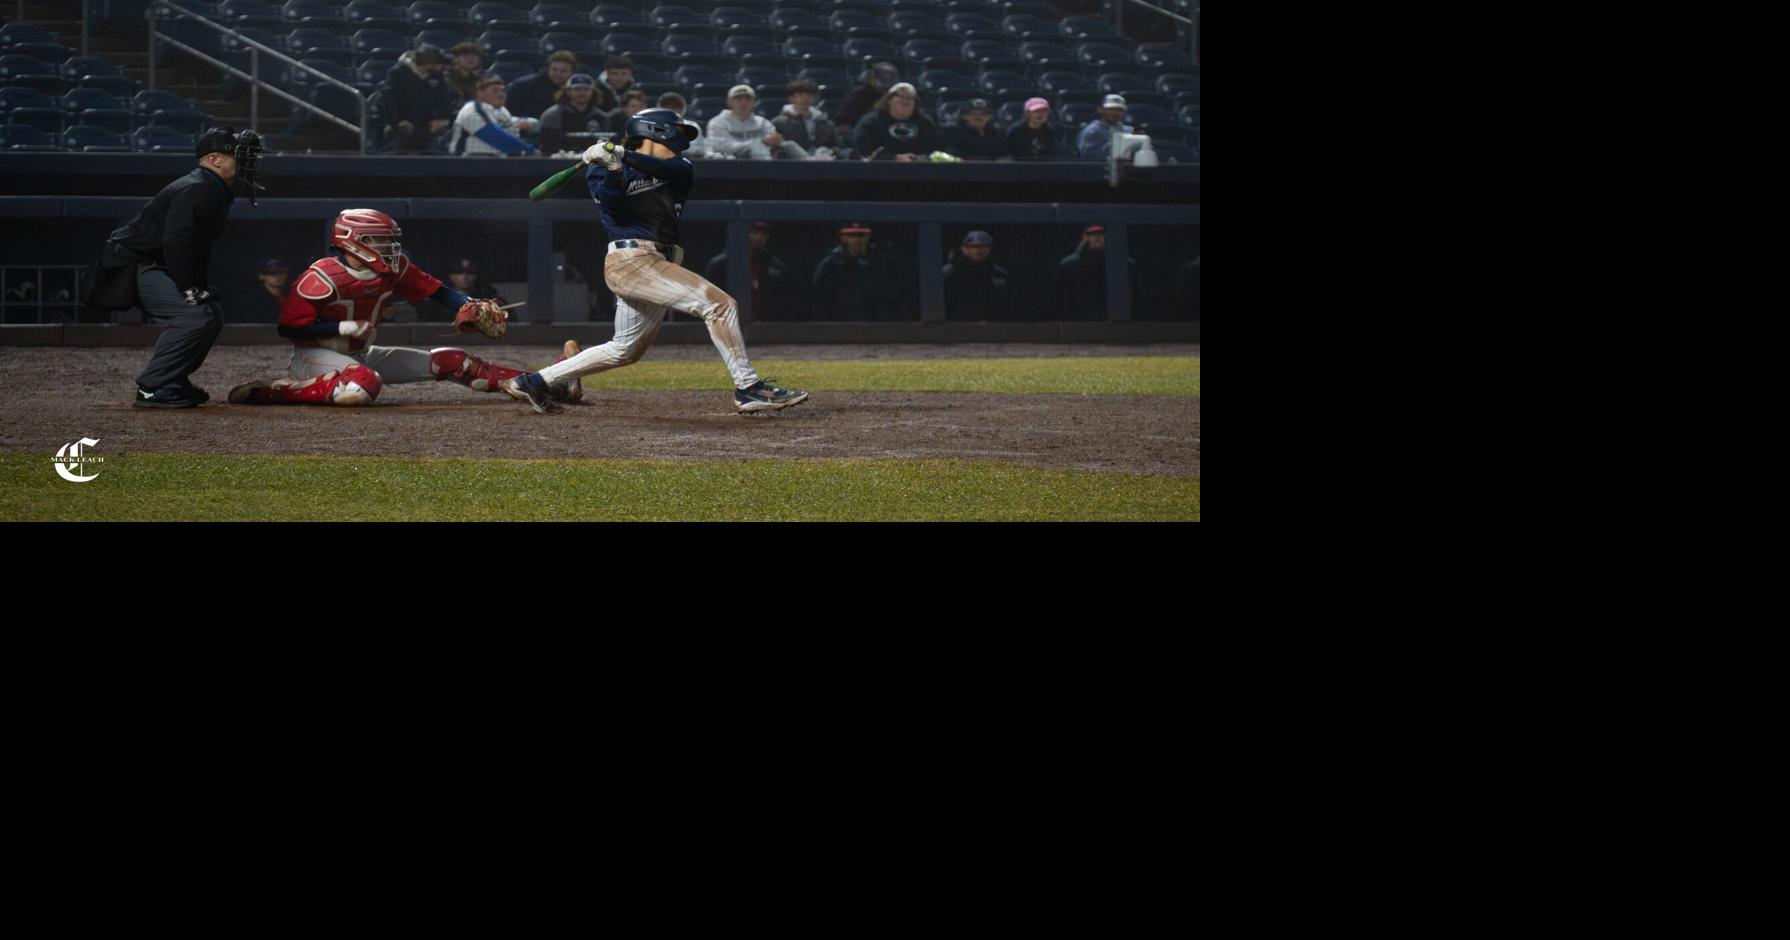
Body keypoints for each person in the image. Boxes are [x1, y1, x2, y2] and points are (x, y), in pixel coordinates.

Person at [502, 110, 807, 414]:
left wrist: (622, 156)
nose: (680, 142)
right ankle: (748, 387)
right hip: (631, 259)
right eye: (676, 133)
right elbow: (616, 207)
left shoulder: (679, 167)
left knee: (624, 351)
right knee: (719, 305)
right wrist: (614, 169)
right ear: (654, 131)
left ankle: (533, 381)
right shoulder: (598, 170)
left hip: (658, 260)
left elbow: (667, 169)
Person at [227, 209, 582, 406]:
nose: (389, 248)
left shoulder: (393, 268)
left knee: (454, 361)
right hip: (315, 356)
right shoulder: (320, 277)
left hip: (362, 352)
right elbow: (289, 329)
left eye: (390, 241)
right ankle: (270, 391)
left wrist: (467, 304)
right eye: (380, 241)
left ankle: (545, 382)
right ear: (353, 242)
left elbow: (437, 290)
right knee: (360, 389)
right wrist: (339, 328)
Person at [91, 127, 264, 407]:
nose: (248, 163)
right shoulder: (197, 186)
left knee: (211, 313)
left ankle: (173, 379)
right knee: (194, 317)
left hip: (155, 263)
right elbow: (176, 242)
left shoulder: (213, 187)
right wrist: (188, 288)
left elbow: (195, 247)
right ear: (214, 159)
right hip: (133, 264)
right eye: (241, 156)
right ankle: (153, 386)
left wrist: (199, 286)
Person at [812, 223, 904, 321]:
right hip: (842, 325)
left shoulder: (880, 263)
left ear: (868, 237)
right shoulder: (830, 265)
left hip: (875, 325)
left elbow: (894, 296)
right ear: (843, 238)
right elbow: (820, 300)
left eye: (861, 235)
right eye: (852, 235)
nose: (857, 240)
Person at [703, 221, 790, 318]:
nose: (759, 237)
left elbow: (783, 299)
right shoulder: (719, 264)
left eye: (763, 234)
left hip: (765, 322)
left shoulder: (776, 266)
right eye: (754, 232)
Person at [382, 46, 457, 153]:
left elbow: (443, 99)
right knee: (403, 134)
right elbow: (388, 100)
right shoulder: (398, 73)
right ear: (430, 64)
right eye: (439, 64)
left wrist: (442, 117)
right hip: (402, 122)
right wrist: (397, 121)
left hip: (426, 122)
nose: (442, 67)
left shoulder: (436, 76)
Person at [1054, 225, 1138, 319]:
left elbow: (1134, 296)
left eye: (1101, 234)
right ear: (1085, 237)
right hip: (1079, 322)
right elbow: (1063, 299)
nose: (1097, 237)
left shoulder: (1125, 264)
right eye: (1092, 234)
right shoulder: (1069, 265)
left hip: (1114, 321)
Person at [705, 85, 803, 159]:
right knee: (756, 146)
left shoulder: (761, 122)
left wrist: (775, 139)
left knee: (789, 144)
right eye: (738, 99)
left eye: (747, 99)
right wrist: (757, 143)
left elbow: (773, 136)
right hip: (730, 162)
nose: (743, 103)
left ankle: (810, 164)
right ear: (729, 102)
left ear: (754, 102)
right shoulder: (718, 122)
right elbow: (719, 145)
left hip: (759, 158)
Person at [448, 76, 539, 156]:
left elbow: (513, 123)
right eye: (495, 90)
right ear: (480, 93)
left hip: (494, 163)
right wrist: (529, 150)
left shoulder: (501, 110)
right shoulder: (471, 110)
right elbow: (494, 136)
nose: (501, 94)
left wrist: (530, 123)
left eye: (503, 90)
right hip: (465, 163)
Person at [852, 82, 938, 162]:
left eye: (910, 97)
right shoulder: (871, 121)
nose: (906, 100)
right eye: (901, 96)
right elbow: (864, 151)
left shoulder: (925, 122)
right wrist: (894, 158)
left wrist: (922, 157)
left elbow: (934, 147)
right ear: (889, 100)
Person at [942, 230, 1011, 321]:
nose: (979, 250)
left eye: (983, 246)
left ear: (989, 248)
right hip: (956, 327)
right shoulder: (948, 273)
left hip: (991, 327)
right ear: (964, 248)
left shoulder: (999, 274)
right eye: (973, 246)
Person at [539, 72, 607, 155]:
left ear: (593, 92)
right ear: (568, 91)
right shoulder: (552, 114)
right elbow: (547, 146)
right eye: (577, 89)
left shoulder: (601, 116)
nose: (582, 93)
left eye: (586, 89)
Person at [771, 78, 840, 159]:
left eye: (809, 95)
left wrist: (831, 151)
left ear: (814, 98)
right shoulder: (779, 123)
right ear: (791, 98)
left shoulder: (825, 123)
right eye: (800, 95)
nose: (805, 99)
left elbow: (838, 146)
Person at [506, 50, 579, 121]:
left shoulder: (577, 87)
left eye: (563, 71)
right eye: (554, 69)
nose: (558, 74)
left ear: (572, 72)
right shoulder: (525, 85)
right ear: (548, 69)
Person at [835, 61, 898, 131]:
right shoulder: (858, 94)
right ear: (871, 77)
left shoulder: (896, 94)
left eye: (890, 78)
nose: (887, 79)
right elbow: (843, 123)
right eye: (883, 77)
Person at [1077, 93, 1134, 160]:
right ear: (1100, 110)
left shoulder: (1129, 131)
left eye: (1119, 110)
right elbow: (1087, 155)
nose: (1114, 113)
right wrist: (1115, 145)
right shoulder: (1092, 131)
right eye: (1110, 109)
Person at [233, 257, 289, 323]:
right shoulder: (250, 300)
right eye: (271, 273)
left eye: (281, 272)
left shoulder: (293, 296)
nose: (277, 276)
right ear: (261, 276)